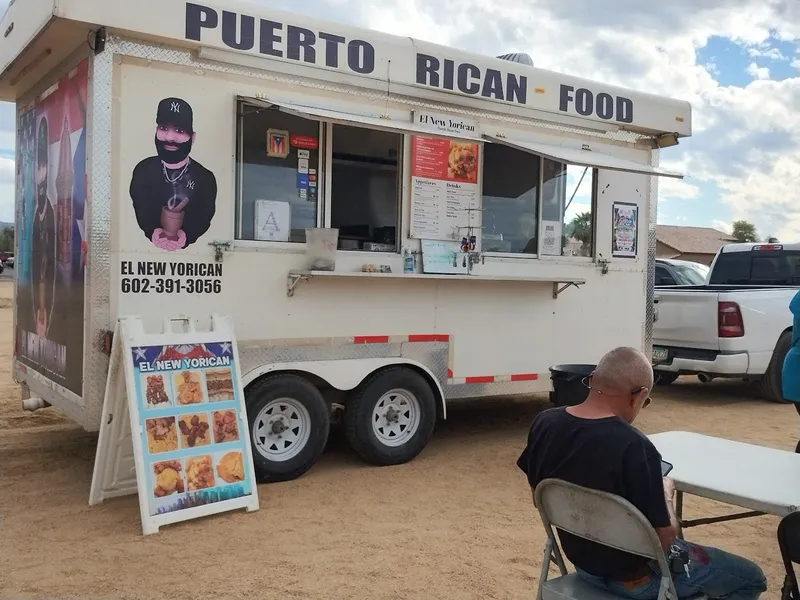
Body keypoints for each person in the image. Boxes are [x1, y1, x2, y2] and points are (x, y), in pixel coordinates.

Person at [517, 346, 767, 600]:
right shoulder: (634, 446)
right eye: (645, 403)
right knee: (751, 578)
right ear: (638, 396)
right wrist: (665, 493)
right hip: (638, 581)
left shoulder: (544, 424)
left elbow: (540, 499)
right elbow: (665, 540)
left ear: (592, 379)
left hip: (583, 566)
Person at [129, 97, 217, 251]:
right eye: (163, 128)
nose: (169, 137)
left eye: (179, 131)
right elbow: (141, 208)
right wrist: (153, 233)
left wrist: (185, 236)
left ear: (193, 137)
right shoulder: (143, 170)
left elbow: (204, 216)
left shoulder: (205, 178)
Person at [31, 116, 56, 338]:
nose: (40, 172)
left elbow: (46, 269)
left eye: (43, 165)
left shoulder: (50, 215)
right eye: (37, 166)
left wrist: (42, 307)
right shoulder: (36, 218)